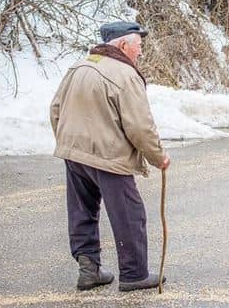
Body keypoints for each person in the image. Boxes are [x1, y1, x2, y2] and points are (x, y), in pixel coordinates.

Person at [50, 21, 170, 292]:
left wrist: (68, 141)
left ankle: (89, 270)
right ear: (123, 45)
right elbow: (140, 126)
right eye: (139, 46)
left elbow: (55, 108)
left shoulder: (78, 67)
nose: (140, 53)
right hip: (108, 156)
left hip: (74, 153)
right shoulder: (125, 75)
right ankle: (134, 274)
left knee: (82, 211)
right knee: (129, 214)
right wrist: (158, 156)